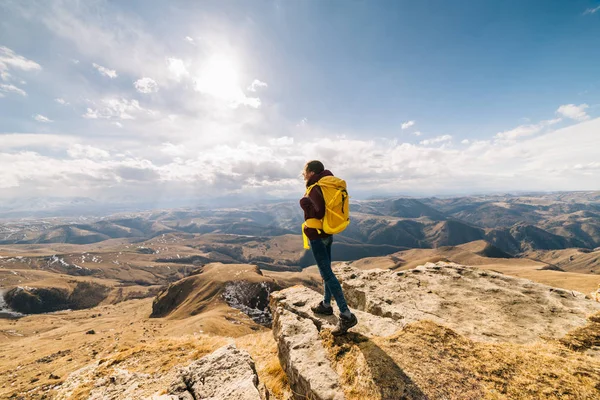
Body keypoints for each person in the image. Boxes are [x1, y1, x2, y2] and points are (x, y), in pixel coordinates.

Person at [300, 160, 358, 336]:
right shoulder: (329, 185)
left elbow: (318, 212)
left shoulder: (316, 187)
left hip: (317, 235)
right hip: (327, 233)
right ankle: (326, 305)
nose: (303, 174)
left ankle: (346, 315)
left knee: (326, 274)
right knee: (327, 270)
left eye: (304, 171)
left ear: (310, 172)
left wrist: (305, 203)